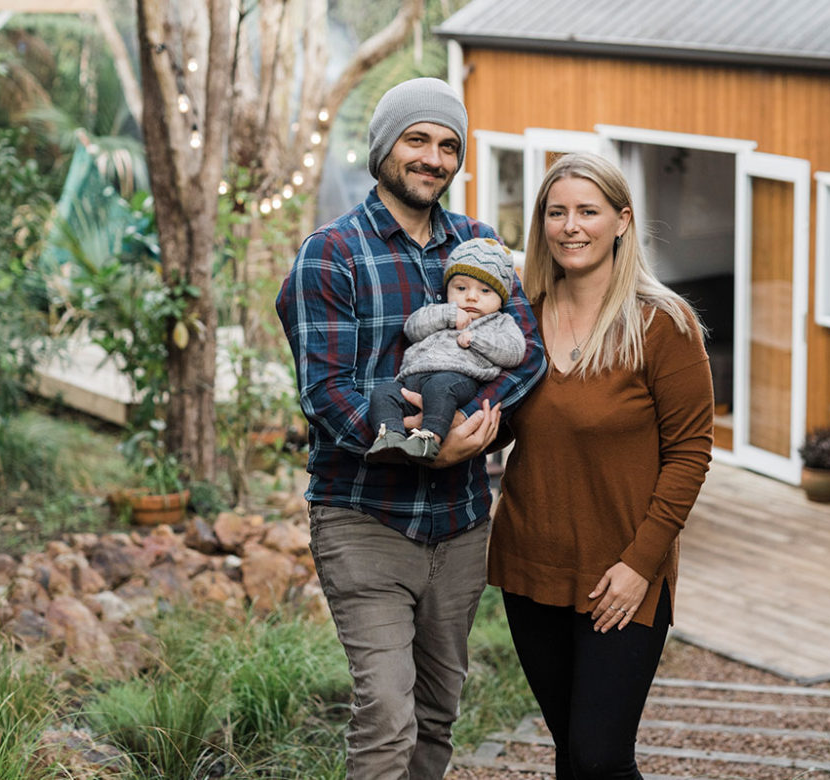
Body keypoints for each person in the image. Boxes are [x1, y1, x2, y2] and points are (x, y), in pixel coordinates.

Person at [275, 77, 546, 780]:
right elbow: (325, 393)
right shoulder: (330, 255)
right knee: (387, 718)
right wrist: (428, 446)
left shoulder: (482, 246)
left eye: (448, 145)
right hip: (365, 518)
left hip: (459, 524)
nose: (433, 157)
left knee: (436, 718)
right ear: (384, 148)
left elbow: (529, 354)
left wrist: (477, 421)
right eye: (417, 139)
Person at [487, 152, 714, 779]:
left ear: (622, 220)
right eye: (556, 212)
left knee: (600, 755)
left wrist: (641, 565)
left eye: (588, 211)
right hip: (531, 562)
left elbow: (691, 452)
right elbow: (498, 421)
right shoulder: (519, 318)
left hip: (621, 577)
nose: (570, 226)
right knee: (571, 753)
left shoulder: (663, 324)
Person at [366, 237, 526, 465]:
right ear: (448, 289)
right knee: (384, 393)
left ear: (501, 299)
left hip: (457, 379)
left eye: (485, 290)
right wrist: (447, 316)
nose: (471, 296)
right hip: (411, 380)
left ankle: (429, 438)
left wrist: (476, 340)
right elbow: (412, 328)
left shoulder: (501, 323)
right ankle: (390, 437)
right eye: (461, 288)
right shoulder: (438, 312)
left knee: (439, 387)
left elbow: (515, 351)